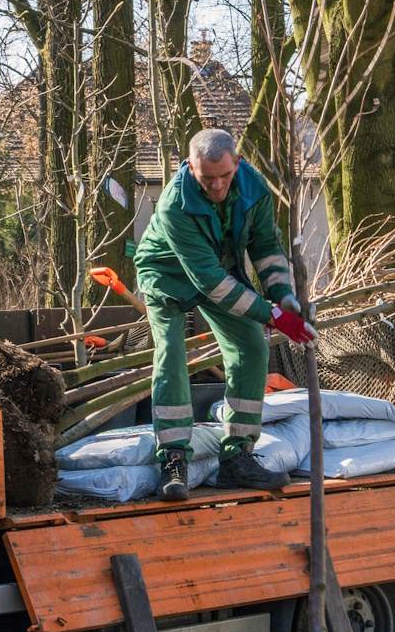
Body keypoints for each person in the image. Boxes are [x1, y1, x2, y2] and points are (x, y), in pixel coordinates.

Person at [133, 128, 313, 501]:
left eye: (224, 176)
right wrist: (272, 314)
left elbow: (265, 245)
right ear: (189, 167)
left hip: (218, 270)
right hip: (166, 274)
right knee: (171, 354)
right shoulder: (174, 205)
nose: (216, 186)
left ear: (238, 163)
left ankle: (237, 458)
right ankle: (173, 458)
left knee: (251, 348)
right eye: (206, 178)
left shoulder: (254, 188)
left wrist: (282, 294)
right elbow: (210, 281)